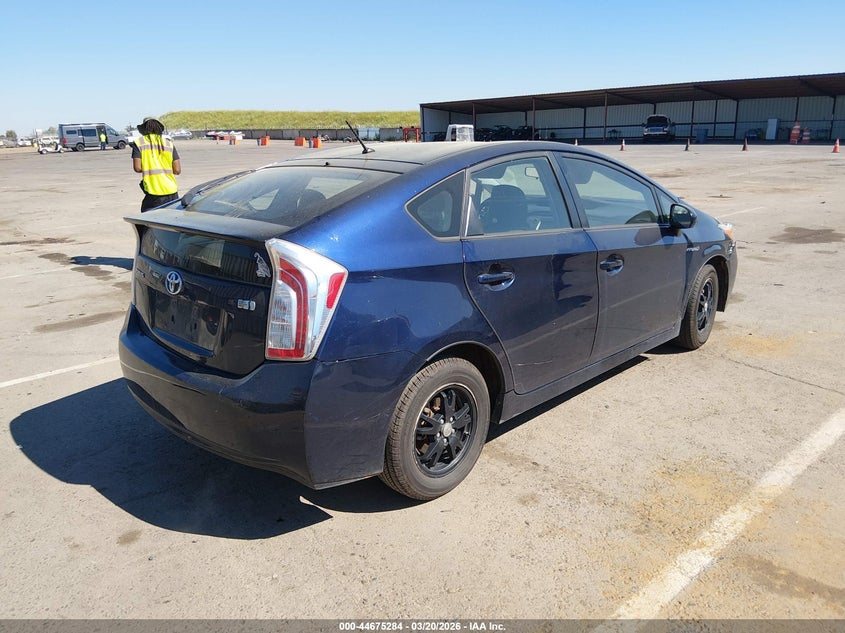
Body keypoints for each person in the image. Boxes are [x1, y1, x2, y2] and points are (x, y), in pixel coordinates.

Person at [131, 117, 181, 211]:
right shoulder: (168, 143)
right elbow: (177, 170)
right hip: (171, 191)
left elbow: (137, 168)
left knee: (148, 222)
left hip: (154, 192)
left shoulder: (139, 143)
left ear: (144, 129)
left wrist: (149, 167)